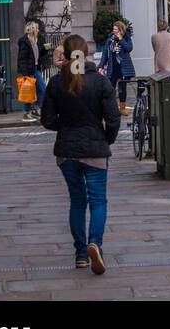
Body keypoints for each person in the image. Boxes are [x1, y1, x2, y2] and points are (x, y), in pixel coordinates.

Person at [41, 34, 119, 274]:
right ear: (86, 54)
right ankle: (94, 242)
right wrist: (106, 139)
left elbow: (47, 120)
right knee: (98, 201)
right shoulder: (101, 82)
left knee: (77, 202)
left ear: (65, 54)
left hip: (67, 152)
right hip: (95, 150)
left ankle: (80, 254)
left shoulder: (56, 83)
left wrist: (65, 127)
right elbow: (113, 119)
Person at [96, 21, 135, 117]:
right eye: (113, 29)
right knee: (110, 89)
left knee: (122, 88)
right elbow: (105, 54)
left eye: (116, 29)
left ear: (121, 30)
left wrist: (121, 39)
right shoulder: (110, 39)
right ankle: (111, 108)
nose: (114, 31)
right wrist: (101, 65)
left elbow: (129, 48)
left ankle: (122, 108)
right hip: (113, 67)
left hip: (123, 68)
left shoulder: (126, 38)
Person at [16, 20, 51, 117]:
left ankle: (36, 108)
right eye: (37, 28)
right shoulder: (24, 42)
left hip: (35, 68)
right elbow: (22, 59)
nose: (38, 30)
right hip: (28, 69)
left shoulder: (38, 40)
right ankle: (27, 112)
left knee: (42, 89)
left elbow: (39, 55)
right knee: (29, 90)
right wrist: (25, 73)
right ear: (32, 30)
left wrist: (45, 49)